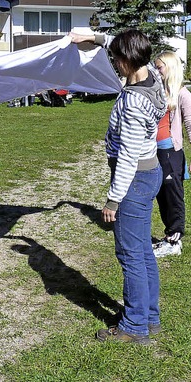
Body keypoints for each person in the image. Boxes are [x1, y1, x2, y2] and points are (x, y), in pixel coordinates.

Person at [70, 30, 166, 345]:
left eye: (116, 60)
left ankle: (135, 326)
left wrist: (113, 201)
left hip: (134, 181)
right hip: (149, 173)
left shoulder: (136, 102)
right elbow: (118, 43)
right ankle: (149, 317)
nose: (114, 64)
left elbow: (127, 157)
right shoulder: (151, 73)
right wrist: (95, 37)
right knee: (142, 251)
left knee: (130, 254)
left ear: (127, 61)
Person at [152, 51, 191, 257]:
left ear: (170, 67)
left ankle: (175, 239)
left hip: (171, 152)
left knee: (173, 195)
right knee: (161, 194)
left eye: (160, 67)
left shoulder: (183, 94)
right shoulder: (158, 91)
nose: (157, 71)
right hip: (154, 151)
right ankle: (169, 236)